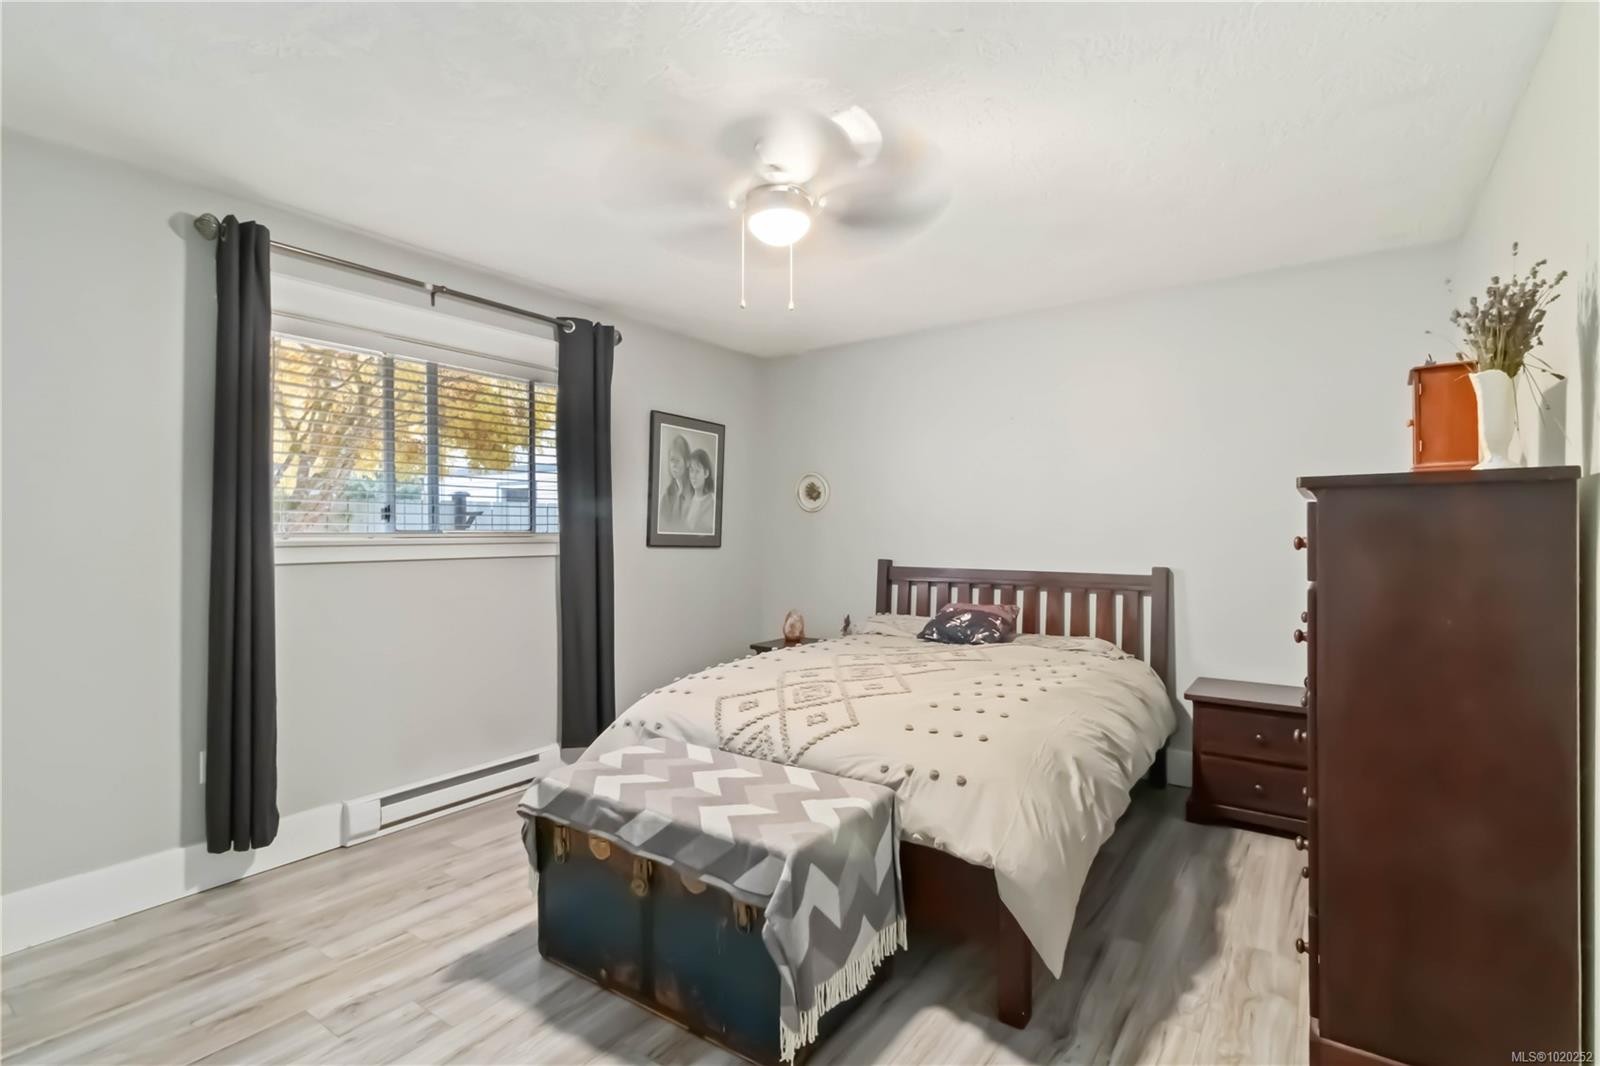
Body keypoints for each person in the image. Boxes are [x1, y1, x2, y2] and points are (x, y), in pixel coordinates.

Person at [658, 434, 691, 531]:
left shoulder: (696, 495)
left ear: (687, 462)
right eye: (672, 460)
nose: (674, 465)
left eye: (677, 460)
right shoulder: (666, 497)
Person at [685, 448, 717, 535]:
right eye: (691, 471)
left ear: (706, 473)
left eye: (697, 471)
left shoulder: (712, 503)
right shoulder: (688, 500)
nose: (693, 476)